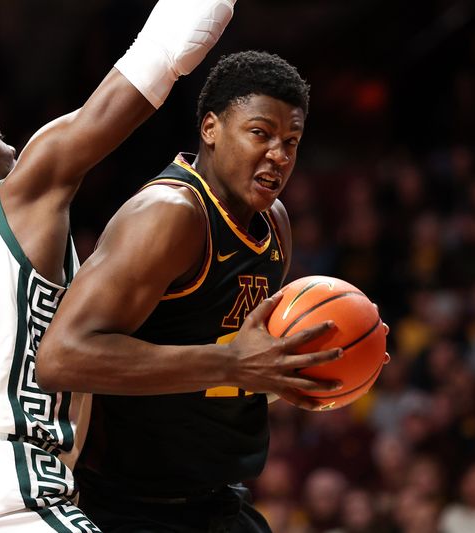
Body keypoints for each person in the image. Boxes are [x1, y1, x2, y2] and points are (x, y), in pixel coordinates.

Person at [0, 1, 238, 531]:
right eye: (0, 140)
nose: (17, 149)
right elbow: (153, 62)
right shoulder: (15, 199)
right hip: (5, 491)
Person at [37, 51, 359, 531]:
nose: (279, 154)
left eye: (291, 140)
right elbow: (61, 358)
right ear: (210, 128)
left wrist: (295, 369)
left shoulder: (275, 223)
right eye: (260, 133)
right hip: (127, 507)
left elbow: (233, 360)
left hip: (219, 501)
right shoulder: (169, 215)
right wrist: (233, 363)